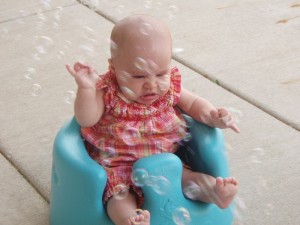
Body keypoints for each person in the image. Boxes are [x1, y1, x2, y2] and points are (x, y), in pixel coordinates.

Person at [66, 14, 239, 225]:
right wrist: (86, 89)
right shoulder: (107, 91)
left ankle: (216, 193)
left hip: (167, 163)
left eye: (160, 74)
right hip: (119, 167)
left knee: (189, 181)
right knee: (118, 199)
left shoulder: (169, 88)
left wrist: (214, 117)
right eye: (139, 76)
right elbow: (86, 119)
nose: (151, 84)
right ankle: (131, 220)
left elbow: (193, 104)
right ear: (114, 67)